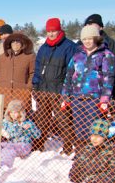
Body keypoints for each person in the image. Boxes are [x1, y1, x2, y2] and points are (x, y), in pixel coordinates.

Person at [61, 23, 115, 155]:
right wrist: (65, 96)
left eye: (90, 38)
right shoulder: (77, 55)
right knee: (79, 129)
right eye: (84, 39)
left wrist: (105, 99)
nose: (87, 41)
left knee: (93, 129)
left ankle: (92, 155)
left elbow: (109, 77)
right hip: (76, 97)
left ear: (96, 38)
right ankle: (81, 154)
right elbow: (68, 76)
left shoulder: (106, 55)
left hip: (94, 98)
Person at [32, 18, 79, 153]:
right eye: (49, 31)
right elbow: (37, 68)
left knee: (63, 120)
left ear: (59, 30)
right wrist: (35, 85)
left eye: (54, 31)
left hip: (59, 90)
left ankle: (68, 147)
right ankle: (39, 145)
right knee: (41, 120)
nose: (51, 34)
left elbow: (72, 70)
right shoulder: (43, 48)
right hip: (43, 88)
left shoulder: (69, 46)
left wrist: (67, 89)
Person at [69, 118, 115, 183]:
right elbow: (78, 163)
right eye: (92, 135)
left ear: (105, 136)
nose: (94, 138)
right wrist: (74, 176)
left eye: (98, 136)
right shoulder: (87, 148)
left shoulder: (112, 151)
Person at [0, 32, 36, 102]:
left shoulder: (30, 57)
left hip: (21, 96)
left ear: (22, 43)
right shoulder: (3, 56)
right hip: (2, 95)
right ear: (10, 44)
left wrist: (28, 89)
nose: (15, 43)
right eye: (13, 41)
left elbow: (33, 73)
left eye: (18, 41)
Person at [0, 99, 41, 168]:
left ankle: (4, 165)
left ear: (21, 112)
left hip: (24, 145)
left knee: (9, 148)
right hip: (11, 144)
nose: (12, 115)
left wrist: (31, 127)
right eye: (11, 112)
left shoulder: (27, 122)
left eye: (15, 112)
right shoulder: (7, 122)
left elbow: (38, 135)